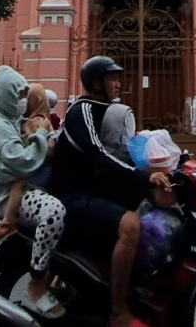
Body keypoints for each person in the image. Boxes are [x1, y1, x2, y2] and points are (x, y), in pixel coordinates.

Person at [48, 57, 170, 327]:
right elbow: (97, 152)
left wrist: (168, 158)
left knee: (140, 207)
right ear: (95, 83)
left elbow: (127, 142)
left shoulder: (104, 109)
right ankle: (118, 310)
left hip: (94, 189)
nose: (118, 83)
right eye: (112, 78)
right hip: (73, 195)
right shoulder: (82, 110)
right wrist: (143, 177)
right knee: (131, 225)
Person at [0, 68, 67, 317]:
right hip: (8, 194)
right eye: (19, 94)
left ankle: (57, 275)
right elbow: (22, 162)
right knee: (54, 212)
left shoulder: (13, 122)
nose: (23, 100)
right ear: (6, 96)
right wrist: (41, 134)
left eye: (25, 95)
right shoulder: (1, 128)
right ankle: (37, 281)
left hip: (23, 186)